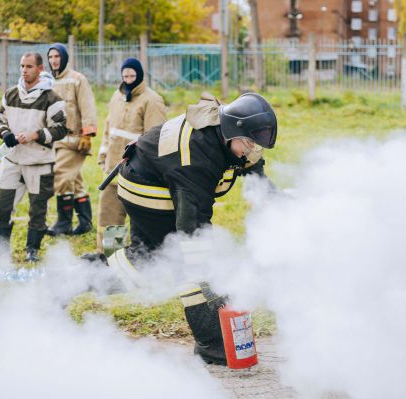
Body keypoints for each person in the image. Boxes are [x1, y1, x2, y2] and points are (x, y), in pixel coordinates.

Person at [86, 92, 277, 365]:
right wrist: (212, 285)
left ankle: (74, 277)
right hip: (147, 188)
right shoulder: (198, 160)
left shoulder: (225, 126)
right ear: (232, 130)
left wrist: (270, 195)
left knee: (145, 261)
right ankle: (211, 343)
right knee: (184, 262)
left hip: (155, 174)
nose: (250, 151)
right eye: (248, 144)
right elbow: (192, 228)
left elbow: (250, 162)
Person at [0, 52, 67, 262]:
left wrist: (36, 135)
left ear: (40, 69)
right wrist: (5, 133)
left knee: (37, 208)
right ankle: (0, 248)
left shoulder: (52, 99)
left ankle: (33, 249)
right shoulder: (10, 94)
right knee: (1, 204)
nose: (24, 70)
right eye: (22, 66)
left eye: (29, 66)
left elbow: (61, 129)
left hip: (39, 162)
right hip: (12, 160)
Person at [94, 57, 167, 253]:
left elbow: (155, 139)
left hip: (137, 173)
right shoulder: (116, 97)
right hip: (112, 168)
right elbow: (109, 129)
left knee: (139, 219)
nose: (128, 79)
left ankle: (143, 256)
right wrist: (103, 155)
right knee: (109, 215)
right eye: (125, 75)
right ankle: (109, 254)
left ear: (140, 75)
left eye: (132, 75)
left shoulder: (152, 100)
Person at [45, 43, 98, 237]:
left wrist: (87, 133)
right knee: (74, 180)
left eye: (57, 56)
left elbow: (88, 106)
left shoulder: (77, 79)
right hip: (56, 141)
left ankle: (63, 223)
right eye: (50, 57)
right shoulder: (48, 81)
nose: (53, 60)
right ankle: (85, 223)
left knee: (60, 175)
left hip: (75, 140)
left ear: (64, 58)